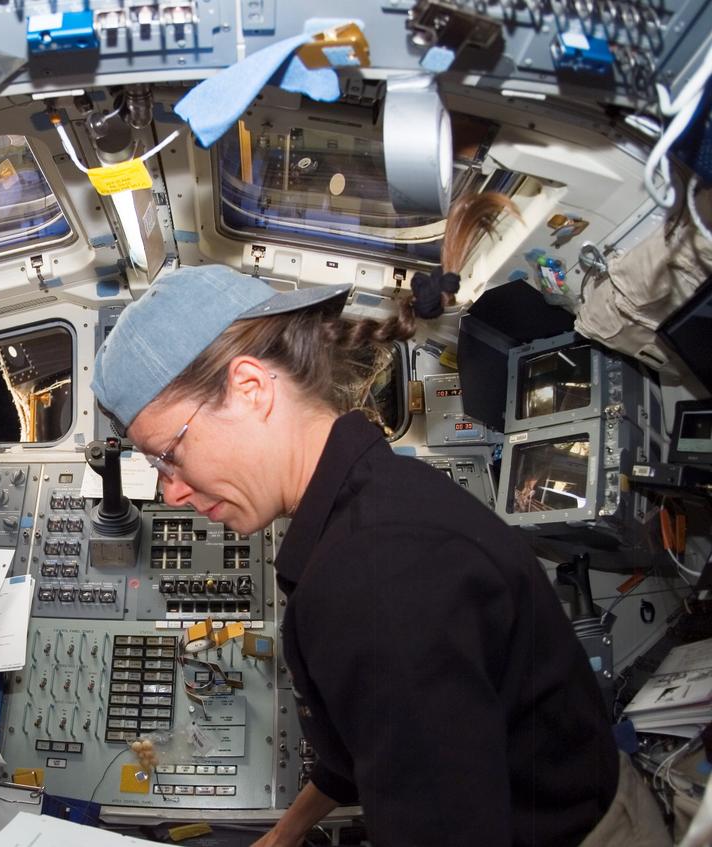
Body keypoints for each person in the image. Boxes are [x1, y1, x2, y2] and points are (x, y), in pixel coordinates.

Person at [91, 194, 668, 847]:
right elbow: (359, 747)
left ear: (250, 389)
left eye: (168, 455)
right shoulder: (365, 501)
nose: (167, 492)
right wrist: (286, 833)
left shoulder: (376, 574)